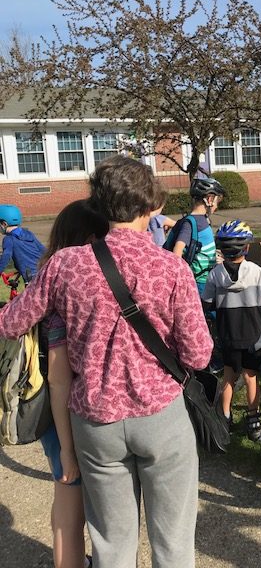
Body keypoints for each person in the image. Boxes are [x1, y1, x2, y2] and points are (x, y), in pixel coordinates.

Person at [0, 156, 213, 568]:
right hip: (160, 416)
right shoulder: (171, 268)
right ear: (150, 205)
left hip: (96, 420)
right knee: (174, 544)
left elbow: (11, 321)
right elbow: (199, 355)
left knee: (112, 546)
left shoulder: (65, 264)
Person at [38, 199, 109, 568]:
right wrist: (68, 446)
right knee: (72, 509)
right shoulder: (67, 287)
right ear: (91, 238)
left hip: (57, 415)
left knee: (64, 501)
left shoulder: (46, 277)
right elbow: (58, 374)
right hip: (68, 416)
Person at [202, 219, 261, 441]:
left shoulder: (215, 275)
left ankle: (225, 417)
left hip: (227, 336)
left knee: (228, 376)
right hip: (254, 336)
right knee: (251, 375)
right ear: (246, 247)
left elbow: (206, 303)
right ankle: (253, 418)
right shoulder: (257, 272)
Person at [169, 176, 225, 294]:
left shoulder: (203, 221)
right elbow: (177, 253)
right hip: (198, 284)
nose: (217, 205)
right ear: (209, 199)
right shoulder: (190, 223)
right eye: (217, 201)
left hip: (207, 279)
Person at [0, 204, 45, 281]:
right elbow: (43, 249)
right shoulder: (28, 233)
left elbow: (6, 256)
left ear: (4, 224)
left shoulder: (9, 239)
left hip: (30, 275)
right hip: (43, 270)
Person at [147, 182, 176, 247]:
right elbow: (176, 224)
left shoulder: (144, 217)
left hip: (149, 247)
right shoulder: (159, 218)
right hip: (161, 247)